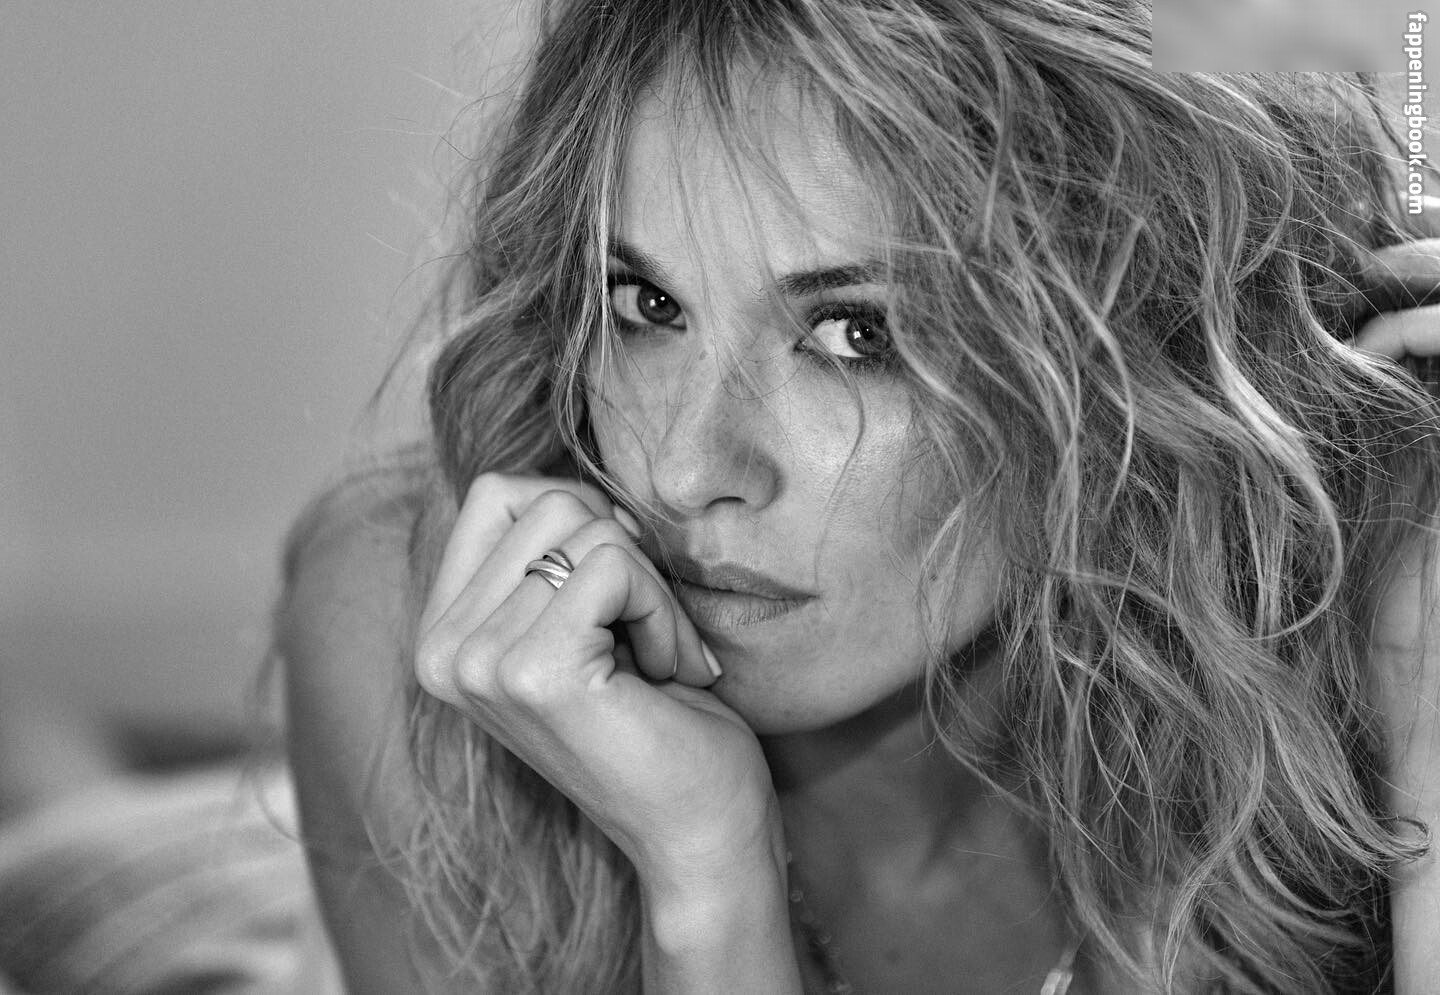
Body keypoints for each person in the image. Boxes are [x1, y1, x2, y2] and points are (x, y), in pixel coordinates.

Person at [275, 0, 1440, 991]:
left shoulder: (1350, 600)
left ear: (1144, 348)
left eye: (857, 332)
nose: (685, 470)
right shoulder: (415, 633)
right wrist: (706, 878)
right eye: (645, 305)